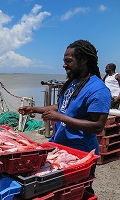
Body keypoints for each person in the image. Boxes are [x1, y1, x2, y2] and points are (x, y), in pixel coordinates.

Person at [18, 39, 111, 194]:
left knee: (80, 193)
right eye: (64, 61)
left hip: (81, 155)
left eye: (68, 61)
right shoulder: (73, 83)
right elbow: (61, 106)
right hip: (59, 148)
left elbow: (97, 126)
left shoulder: (98, 89)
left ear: (84, 60)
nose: (64, 65)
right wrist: (34, 109)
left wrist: (60, 118)